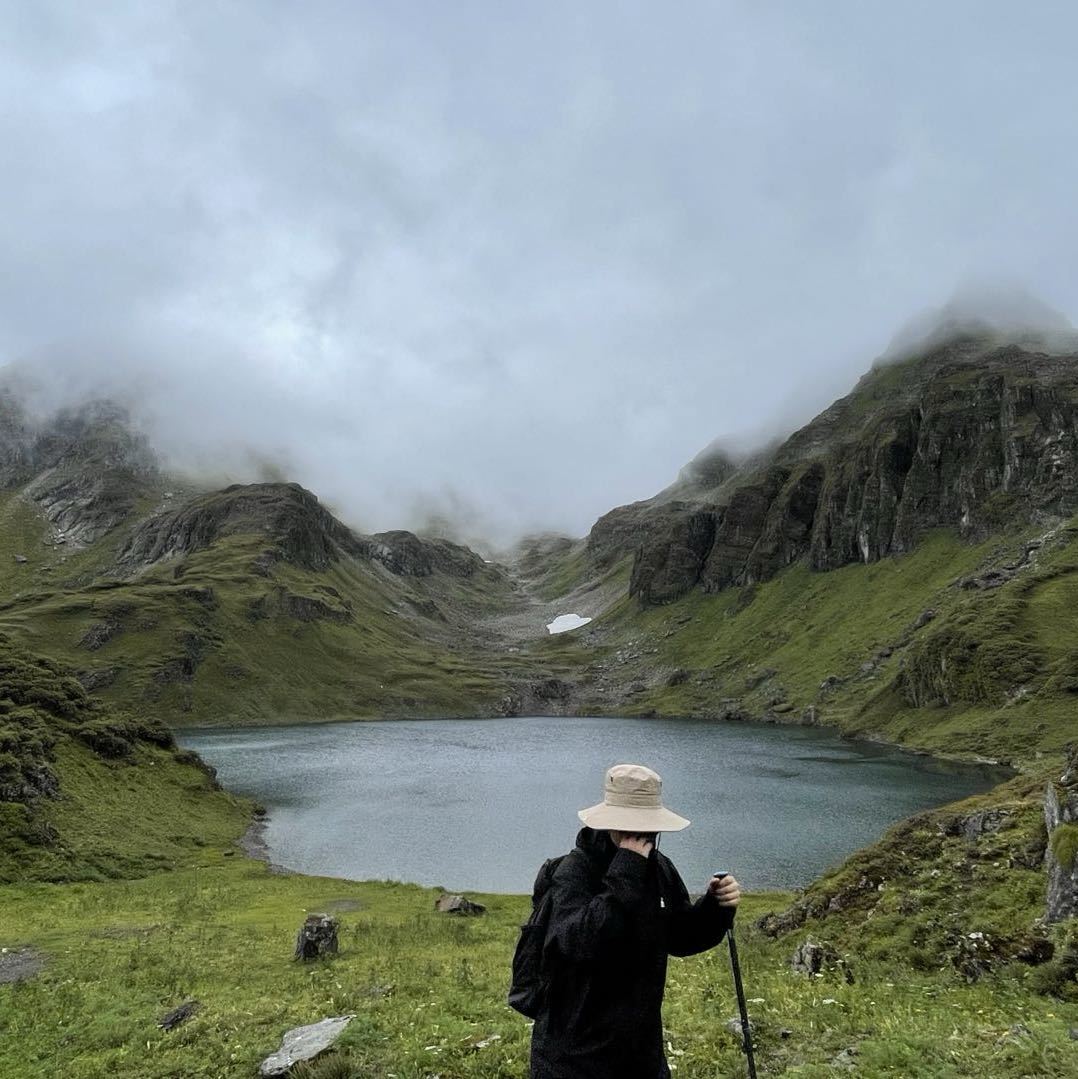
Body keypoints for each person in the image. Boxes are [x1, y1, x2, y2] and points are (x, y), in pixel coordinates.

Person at [530, 762, 741, 1079]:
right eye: (629, 824)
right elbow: (577, 942)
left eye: (647, 825)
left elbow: (680, 937)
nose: (640, 833)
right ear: (608, 822)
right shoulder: (574, 872)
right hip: (573, 1055)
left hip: (640, 1052)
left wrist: (715, 907)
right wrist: (626, 870)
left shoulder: (658, 868)